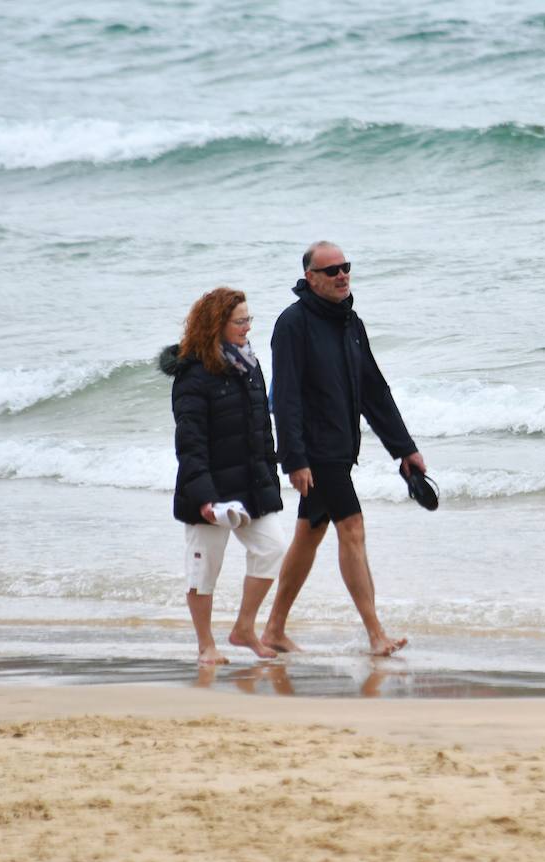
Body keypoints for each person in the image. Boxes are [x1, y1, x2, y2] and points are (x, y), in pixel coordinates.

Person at [261, 241, 426, 657]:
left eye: (345, 267)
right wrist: (294, 458)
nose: (341, 276)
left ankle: (274, 629)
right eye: (331, 270)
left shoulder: (351, 323)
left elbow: (374, 391)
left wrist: (404, 449)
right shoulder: (293, 324)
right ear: (310, 278)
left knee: (309, 533)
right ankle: (376, 634)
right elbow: (285, 396)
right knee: (352, 529)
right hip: (317, 451)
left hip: (340, 446)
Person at [160, 287, 286, 665]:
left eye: (249, 319)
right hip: (209, 492)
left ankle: (244, 629)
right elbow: (190, 443)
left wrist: (270, 477)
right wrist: (205, 499)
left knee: (272, 548)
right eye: (240, 321)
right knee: (203, 571)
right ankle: (206, 646)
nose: (248, 327)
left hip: (250, 485)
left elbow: (263, 429)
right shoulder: (193, 374)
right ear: (217, 324)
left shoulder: (250, 365)